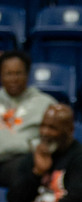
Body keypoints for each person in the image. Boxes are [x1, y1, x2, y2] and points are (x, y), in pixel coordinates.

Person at [0, 51, 53, 188]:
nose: (14, 79)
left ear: (28, 75)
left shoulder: (45, 103)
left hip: (22, 162)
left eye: (18, 73)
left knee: (24, 167)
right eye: (8, 74)